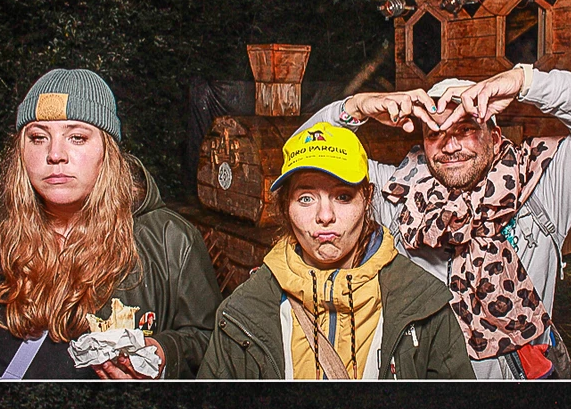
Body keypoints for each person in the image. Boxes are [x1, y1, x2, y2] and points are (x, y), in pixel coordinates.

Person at [306, 62, 571, 378]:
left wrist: (526, 81)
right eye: (435, 132)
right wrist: (356, 108)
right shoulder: (398, 195)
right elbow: (305, 157)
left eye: (466, 129)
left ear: (494, 136)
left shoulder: (541, 188)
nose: (450, 145)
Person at [0, 68, 221, 379]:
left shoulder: (170, 241)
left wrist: (165, 353)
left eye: (77, 137)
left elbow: (212, 340)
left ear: (107, 151)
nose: (55, 154)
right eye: (38, 137)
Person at [198, 123, 472, 379]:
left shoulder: (422, 304)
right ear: (285, 206)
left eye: (342, 196)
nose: (325, 216)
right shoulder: (243, 312)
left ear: (367, 198)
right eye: (306, 198)